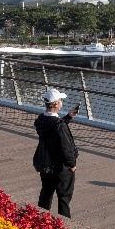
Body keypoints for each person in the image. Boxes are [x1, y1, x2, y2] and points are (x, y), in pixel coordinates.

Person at [33, 87, 79, 218]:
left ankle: (41, 218)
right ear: (56, 104)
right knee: (64, 196)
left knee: (46, 192)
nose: (62, 103)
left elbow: (53, 127)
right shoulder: (59, 125)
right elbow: (66, 148)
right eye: (60, 101)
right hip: (60, 167)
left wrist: (68, 117)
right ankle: (64, 223)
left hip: (45, 164)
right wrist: (72, 164)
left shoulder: (41, 120)